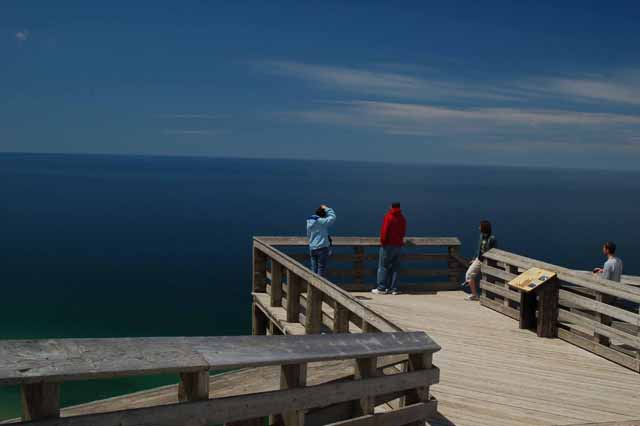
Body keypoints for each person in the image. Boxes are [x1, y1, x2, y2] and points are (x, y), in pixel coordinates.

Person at [372, 202, 406, 295]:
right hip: (398, 246)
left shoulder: (389, 217)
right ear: (399, 207)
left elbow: (384, 231)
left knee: (383, 266)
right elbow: (403, 232)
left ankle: (381, 288)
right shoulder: (402, 218)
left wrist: (383, 242)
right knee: (395, 267)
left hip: (388, 246)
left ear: (391, 207)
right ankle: (393, 288)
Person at [462, 220, 497, 301]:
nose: (479, 228)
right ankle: (475, 295)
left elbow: (494, 251)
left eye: (480, 226)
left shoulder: (492, 239)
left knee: (489, 279)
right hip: (479, 260)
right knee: (469, 274)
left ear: (484, 228)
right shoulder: (481, 236)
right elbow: (479, 249)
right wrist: (475, 258)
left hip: (487, 262)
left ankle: (488, 298)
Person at [306, 204, 336, 277]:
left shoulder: (309, 221)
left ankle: (312, 286)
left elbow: (308, 235)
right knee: (321, 269)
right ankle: (318, 287)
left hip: (312, 248)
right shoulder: (321, 222)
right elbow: (333, 217)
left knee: (313, 269)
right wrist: (327, 208)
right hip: (322, 248)